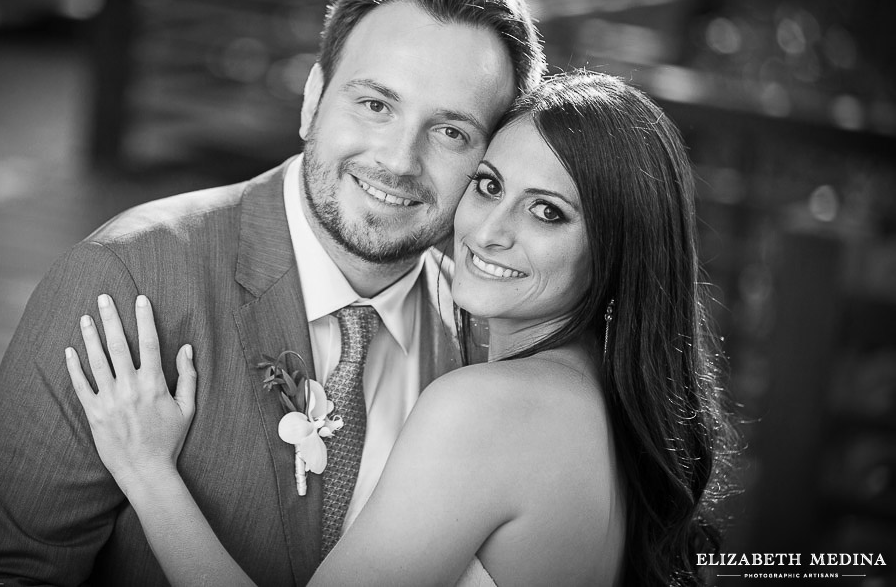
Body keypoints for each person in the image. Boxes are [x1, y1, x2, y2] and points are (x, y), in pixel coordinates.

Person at [0, 0, 544, 586]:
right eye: (374, 104)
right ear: (313, 100)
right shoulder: (126, 281)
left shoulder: (481, 338)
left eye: (451, 132)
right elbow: (3, 574)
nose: (398, 160)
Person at [65, 71, 738, 586]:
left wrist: (148, 472)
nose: (490, 232)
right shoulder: (599, 397)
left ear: (617, 248)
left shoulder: (491, 410)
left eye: (548, 213)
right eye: (489, 185)